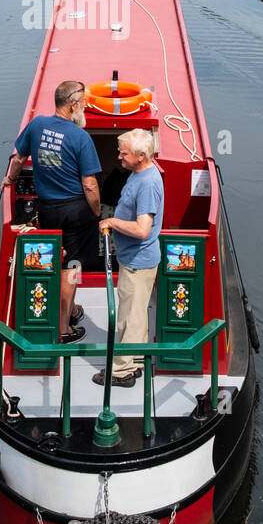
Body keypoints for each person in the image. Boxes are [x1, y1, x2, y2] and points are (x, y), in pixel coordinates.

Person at [2, 80, 101, 343]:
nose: (85, 106)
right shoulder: (81, 137)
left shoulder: (36, 126)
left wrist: (10, 181)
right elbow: (89, 184)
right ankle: (63, 328)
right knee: (72, 267)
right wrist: (97, 212)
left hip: (47, 210)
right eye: (83, 102)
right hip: (76, 210)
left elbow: (18, 159)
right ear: (73, 104)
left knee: (54, 261)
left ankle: (67, 309)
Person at [93, 129, 164, 388]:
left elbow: (143, 229)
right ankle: (133, 359)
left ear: (141, 156)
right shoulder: (140, 173)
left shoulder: (147, 184)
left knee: (128, 316)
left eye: (123, 153)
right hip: (134, 258)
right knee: (135, 314)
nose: (119, 157)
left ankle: (121, 372)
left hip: (137, 260)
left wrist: (111, 221)